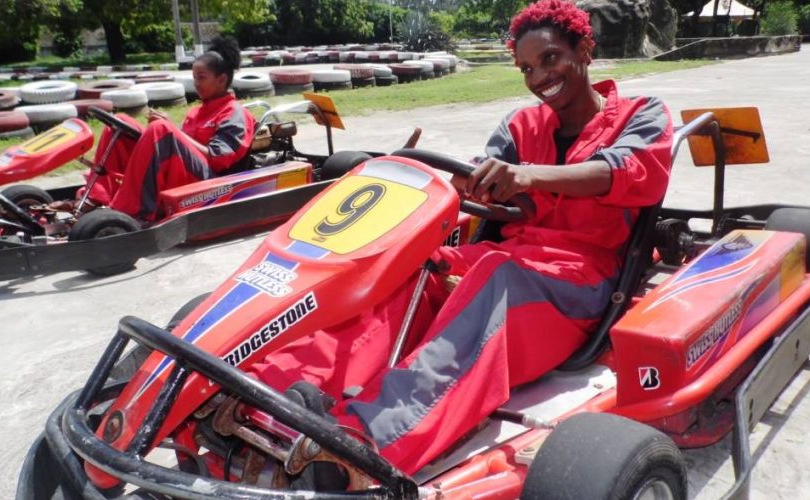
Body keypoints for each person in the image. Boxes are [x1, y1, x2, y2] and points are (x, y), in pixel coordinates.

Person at [250, 0, 673, 476]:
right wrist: (460, 184)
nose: (538, 78)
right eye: (527, 68)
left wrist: (528, 176)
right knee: (413, 266)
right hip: (512, 255)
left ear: (585, 49)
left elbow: (624, 172)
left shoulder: (642, 114)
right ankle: (279, 388)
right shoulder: (521, 125)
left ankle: (366, 439)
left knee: (495, 277)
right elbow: (486, 182)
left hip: (585, 281)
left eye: (550, 59)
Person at [78, 36, 255, 222]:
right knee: (120, 123)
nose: (196, 83)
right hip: (188, 174)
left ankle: (126, 214)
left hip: (211, 184)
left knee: (160, 129)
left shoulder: (235, 113)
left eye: (202, 78)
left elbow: (218, 159)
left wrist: (171, 130)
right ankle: (95, 199)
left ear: (222, 79)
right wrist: (174, 130)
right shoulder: (196, 112)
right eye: (194, 77)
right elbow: (184, 146)